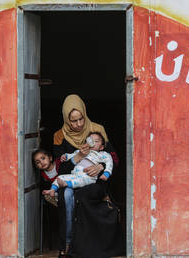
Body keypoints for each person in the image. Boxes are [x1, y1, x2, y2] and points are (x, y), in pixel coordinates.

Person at [52, 94, 123, 258]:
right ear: (66, 119)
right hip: (72, 178)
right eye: (73, 121)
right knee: (66, 195)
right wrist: (77, 157)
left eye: (81, 119)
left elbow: (114, 158)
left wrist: (101, 166)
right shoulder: (59, 136)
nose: (78, 124)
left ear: (85, 114)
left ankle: (88, 246)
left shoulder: (97, 130)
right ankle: (68, 243)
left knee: (84, 196)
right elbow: (59, 168)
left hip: (93, 181)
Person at [43, 132, 113, 197]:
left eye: (96, 141)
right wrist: (66, 156)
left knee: (82, 180)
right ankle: (52, 190)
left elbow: (109, 163)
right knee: (60, 177)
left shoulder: (103, 154)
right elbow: (72, 155)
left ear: (101, 147)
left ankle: (66, 184)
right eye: (90, 140)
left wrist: (106, 173)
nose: (93, 143)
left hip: (88, 176)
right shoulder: (81, 151)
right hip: (75, 174)